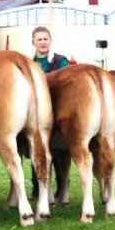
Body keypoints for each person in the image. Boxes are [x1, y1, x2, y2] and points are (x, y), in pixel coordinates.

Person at [31, 26, 69, 198]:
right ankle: (38, 188)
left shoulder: (60, 61)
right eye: (39, 39)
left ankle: (62, 188)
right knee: (36, 150)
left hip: (58, 110)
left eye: (45, 38)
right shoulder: (29, 64)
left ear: (50, 41)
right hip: (36, 114)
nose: (43, 42)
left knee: (61, 153)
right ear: (33, 42)